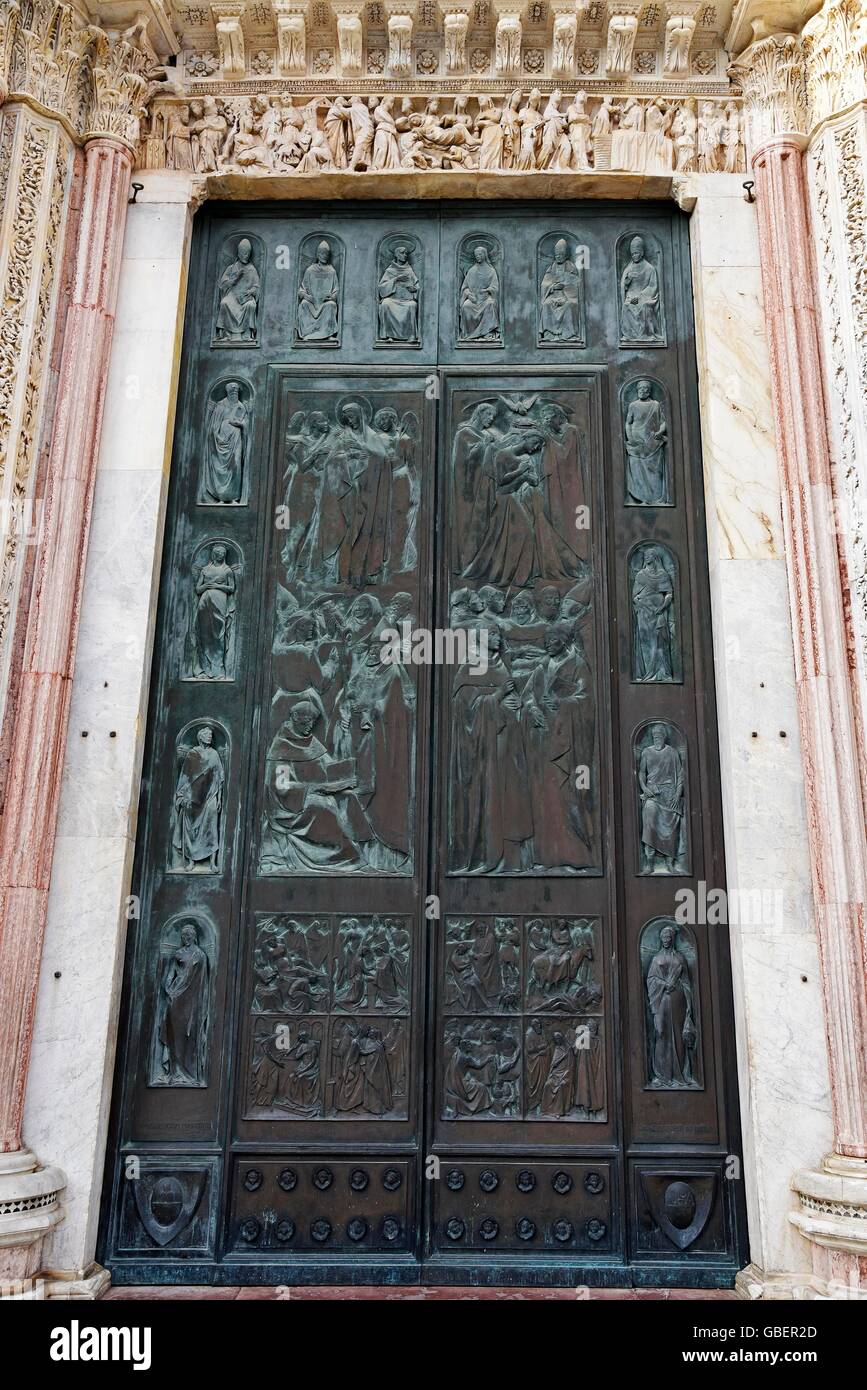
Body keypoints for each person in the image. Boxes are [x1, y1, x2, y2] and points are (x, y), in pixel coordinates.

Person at [157, 922, 209, 1085]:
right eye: (184, 936)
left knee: (189, 1036)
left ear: (194, 936)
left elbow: (203, 983)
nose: (186, 938)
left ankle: (190, 1074)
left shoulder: (200, 956)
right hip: (176, 1000)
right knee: (174, 1036)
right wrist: (170, 992)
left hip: (192, 1002)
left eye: (189, 935)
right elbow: (169, 976)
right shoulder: (178, 954)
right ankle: (174, 1072)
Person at [646, 924, 696, 1086]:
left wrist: (688, 1003)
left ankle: (680, 1073)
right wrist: (663, 984)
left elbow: (687, 981)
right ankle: (662, 1075)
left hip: (678, 1000)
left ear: (672, 939)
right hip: (661, 1001)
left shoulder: (680, 958)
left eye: (668, 937)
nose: (666, 940)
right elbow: (651, 979)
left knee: (678, 1034)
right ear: (660, 939)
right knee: (661, 1033)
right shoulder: (656, 959)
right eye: (663, 938)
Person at [172, 726, 224, 872]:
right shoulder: (192, 754)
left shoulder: (214, 754)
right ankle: (191, 860)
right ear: (200, 737)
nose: (209, 737)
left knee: (212, 826)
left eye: (211, 735)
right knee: (190, 827)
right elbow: (185, 775)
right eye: (206, 735)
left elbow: (219, 778)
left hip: (210, 796)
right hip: (194, 797)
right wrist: (182, 795)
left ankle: (213, 862)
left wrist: (219, 798)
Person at [638, 724, 686, 872]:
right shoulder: (647, 752)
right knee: (649, 823)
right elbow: (642, 773)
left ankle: (669, 862)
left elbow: (680, 775)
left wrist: (677, 795)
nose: (656, 737)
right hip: (652, 795)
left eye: (659, 735)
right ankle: (649, 862)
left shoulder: (672, 753)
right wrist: (645, 788)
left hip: (670, 795)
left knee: (671, 829)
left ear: (664, 736)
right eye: (654, 736)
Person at [191, 544, 235, 678]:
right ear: (214, 554)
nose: (221, 555)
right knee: (204, 633)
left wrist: (217, 586)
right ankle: (204, 668)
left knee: (218, 635)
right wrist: (206, 586)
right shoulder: (205, 570)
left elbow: (231, 588)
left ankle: (218, 670)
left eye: (223, 553)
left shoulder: (227, 571)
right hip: (204, 602)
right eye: (218, 553)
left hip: (220, 603)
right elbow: (198, 589)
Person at [201, 380, 248, 503]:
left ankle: (233, 497)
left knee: (235, 465)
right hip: (221, 441)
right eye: (232, 391)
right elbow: (213, 425)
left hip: (236, 440)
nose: (234, 393)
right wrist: (218, 437)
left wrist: (241, 424)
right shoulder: (221, 405)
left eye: (236, 391)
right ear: (227, 392)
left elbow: (246, 423)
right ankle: (221, 496)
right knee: (221, 468)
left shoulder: (241, 406)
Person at [624, 379, 668, 504]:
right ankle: (641, 498)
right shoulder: (633, 405)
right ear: (637, 390)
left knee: (653, 472)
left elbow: (663, 422)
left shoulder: (655, 405)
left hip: (653, 443)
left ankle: (655, 498)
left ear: (649, 391)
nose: (642, 391)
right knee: (637, 470)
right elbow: (628, 423)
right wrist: (631, 438)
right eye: (640, 389)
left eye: (645, 389)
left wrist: (660, 432)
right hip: (637, 445)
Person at [215, 237, 259, 341]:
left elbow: (256, 286)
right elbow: (223, 284)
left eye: (247, 253)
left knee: (250, 305)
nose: (246, 255)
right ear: (239, 253)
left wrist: (251, 291)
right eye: (244, 253)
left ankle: (246, 334)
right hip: (233, 296)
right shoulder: (232, 268)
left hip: (245, 297)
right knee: (224, 303)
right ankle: (227, 334)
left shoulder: (252, 269)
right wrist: (235, 278)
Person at [620, 234, 662, 341]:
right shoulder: (629, 269)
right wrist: (627, 280)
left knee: (642, 306)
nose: (634, 256)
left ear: (642, 253)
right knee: (627, 306)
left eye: (636, 253)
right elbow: (624, 286)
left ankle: (644, 334)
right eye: (633, 254)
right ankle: (630, 335)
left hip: (643, 297)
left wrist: (641, 296)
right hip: (632, 297)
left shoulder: (650, 268)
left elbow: (653, 286)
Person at [296, 239, 340, 341]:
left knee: (331, 305)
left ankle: (327, 334)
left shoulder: (332, 271)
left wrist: (332, 297)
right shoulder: (310, 270)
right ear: (318, 254)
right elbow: (301, 290)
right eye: (322, 253)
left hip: (324, 304)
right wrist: (306, 296)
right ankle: (307, 333)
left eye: (326, 254)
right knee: (303, 304)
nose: (324, 255)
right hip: (312, 303)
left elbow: (336, 290)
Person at [539, 239, 582, 342]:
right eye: (556, 255)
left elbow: (575, 284)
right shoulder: (552, 268)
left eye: (561, 255)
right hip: (553, 296)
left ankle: (568, 334)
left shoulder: (571, 267)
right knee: (546, 305)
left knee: (570, 305)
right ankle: (549, 334)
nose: (558, 257)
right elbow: (544, 284)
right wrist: (552, 288)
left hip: (567, 297)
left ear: (565, 255)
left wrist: (565, 290)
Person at [377, 244, 419, 342]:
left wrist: (414, 289)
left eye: (406, 253)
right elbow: (382, 287)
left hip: (406, 299)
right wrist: (395, 280)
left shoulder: (409, 270)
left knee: (412, 305)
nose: (405, 255)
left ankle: (411, 335)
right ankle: (389, 335)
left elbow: (417, 285)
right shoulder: (389, 271)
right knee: (385, 304)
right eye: (402, 253)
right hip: (393, 299)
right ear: (396, 255)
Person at [459, 245, 500, 341]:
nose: (478, 256)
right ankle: (469, 333)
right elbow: (465, 287)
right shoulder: (471, 271)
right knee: (466, 306)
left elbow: (495, 287)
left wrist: (488, 290)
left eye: (480, 254)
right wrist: (468, 294)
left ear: (485, 255)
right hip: (474, 300)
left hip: (485, 299)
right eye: (476, 255)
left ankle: (487, 332)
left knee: (491, 304)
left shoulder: (491, 271)